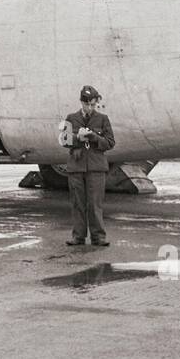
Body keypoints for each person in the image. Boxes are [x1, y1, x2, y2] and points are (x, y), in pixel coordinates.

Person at [62, 85, 116, 246]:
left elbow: (110, 142)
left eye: (93, 105)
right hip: (76, 167)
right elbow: (64, 140)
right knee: (77, 203)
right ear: (81, 102)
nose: (90, 108)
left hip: (96, 168)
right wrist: (78, 138)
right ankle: (78, 236)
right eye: (88, 105)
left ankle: (98, 237)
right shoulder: (71, 118)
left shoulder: (103, 119)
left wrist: (94, 137)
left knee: (95, 204)